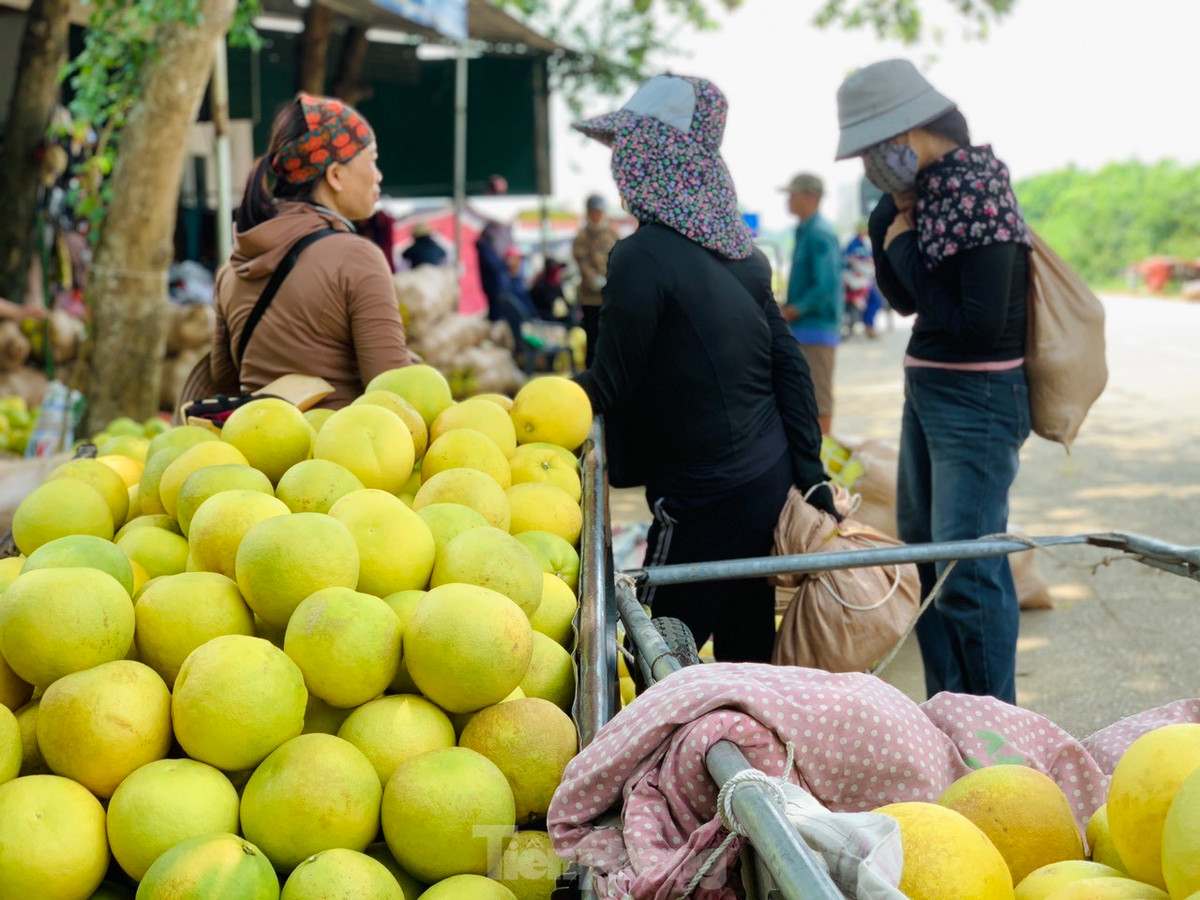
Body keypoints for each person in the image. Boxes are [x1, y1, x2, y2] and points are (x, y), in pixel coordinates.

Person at [573, 74, 837, 663]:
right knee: (745, 646)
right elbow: (789, 369)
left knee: (651, 653)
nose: (618, 167)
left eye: (625, 151)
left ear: (651, 158)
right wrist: (810, 473)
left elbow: (609, 383)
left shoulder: (640, 256)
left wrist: (522, 407)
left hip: (705, 496)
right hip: (764, 476)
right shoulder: (740, 253)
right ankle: (754, 753)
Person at [836, 59, 1033, 703]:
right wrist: (887, 225)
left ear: (912, 132)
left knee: (967, 566)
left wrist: (898, 244)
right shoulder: (923, 197)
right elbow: (905, 305)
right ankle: (949, 708)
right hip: (929, 391)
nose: (871, 163)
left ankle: (992, 726)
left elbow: (976, 325)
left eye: (874, 148)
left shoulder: (976, 190)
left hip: (976, 398)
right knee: (926, 557)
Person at [211, 93, 413, 409]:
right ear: (335, 175)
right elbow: (392, 391)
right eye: (372, 160)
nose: (379, 175)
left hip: (256, 449)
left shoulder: (233, 267)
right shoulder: (356, 258)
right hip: (342, 452)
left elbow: (222, 380)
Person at [780, 173, 842, 435]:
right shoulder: (806, 231)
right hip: (804, 329)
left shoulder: (819, 234)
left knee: (818, 397)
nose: (789, 201)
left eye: (793, 195)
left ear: (811, 197)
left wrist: (793, 311)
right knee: (805, 397)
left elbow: (825, 286)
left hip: (816, 329)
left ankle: (822, 462)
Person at [571, 194, 618, 367]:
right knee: (592, 337)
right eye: (593, 212)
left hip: (610, 296)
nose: (596, 215)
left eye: (599, 212)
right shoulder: (582, 236)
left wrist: (611, 280)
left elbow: (620, 258)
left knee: (610, 338)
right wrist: (595, 281)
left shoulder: (612, 234)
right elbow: (581, 261)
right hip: (590, 297)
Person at [843, 221, 884, 339]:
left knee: (875, 301)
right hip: (854, 281)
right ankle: (868, 327)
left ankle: (868, 326)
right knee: (874, 300)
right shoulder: (853, 244)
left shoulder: (865, 244)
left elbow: (871, 260)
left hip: (864, 279)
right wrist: (865, 265)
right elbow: (852, 261)